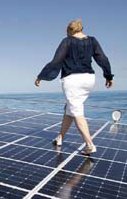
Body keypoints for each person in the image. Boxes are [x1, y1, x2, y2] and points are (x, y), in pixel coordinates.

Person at [35, 19, 114, 155]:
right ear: (81, 28)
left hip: (73, 80)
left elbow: (56, 60)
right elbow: (103, 58)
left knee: (76, 111)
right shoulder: (92, 40)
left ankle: (89, 145)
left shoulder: (68, 41)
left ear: (69, 30)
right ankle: (60, 137)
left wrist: (41, 76)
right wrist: (108, 76)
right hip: (89, 79)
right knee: (70, 108)